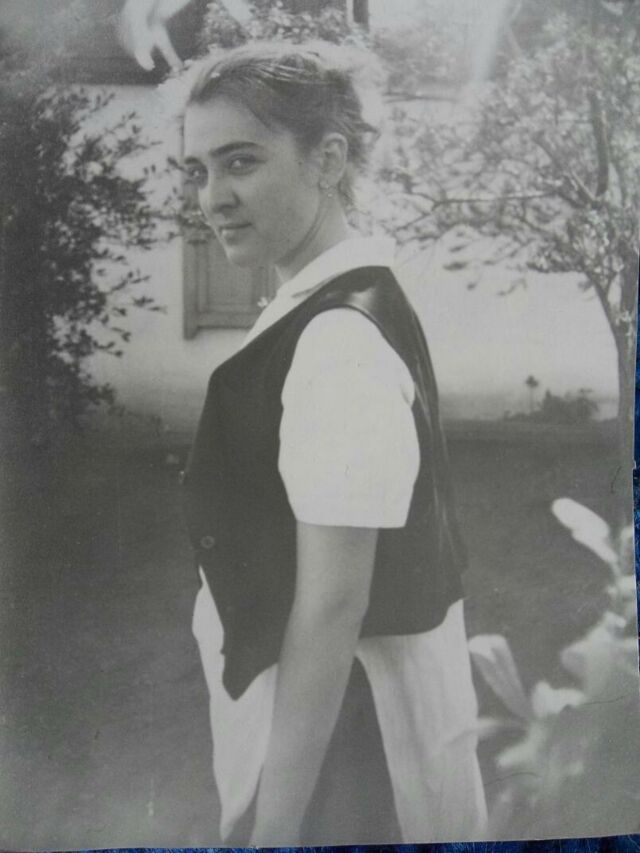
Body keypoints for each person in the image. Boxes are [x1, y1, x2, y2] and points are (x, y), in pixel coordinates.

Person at [179, 40, 487, 846]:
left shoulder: (338, 341)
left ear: (328, 158)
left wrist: (277, 827)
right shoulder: (337, 302)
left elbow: (332, 605)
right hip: (337, 733)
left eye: (240, 162)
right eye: (198, 170)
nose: (213, 197)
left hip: (347, 761)